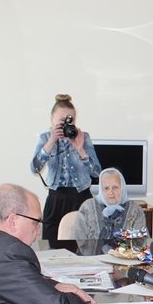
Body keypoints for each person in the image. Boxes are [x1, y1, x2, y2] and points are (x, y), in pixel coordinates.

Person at [30, 93, 102, 243]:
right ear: (52, 120)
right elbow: (34, 168)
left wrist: (81, 150)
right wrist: (51, 142)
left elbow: (97, 172)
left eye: (71, 120)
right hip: (56, 198)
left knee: (84, 244)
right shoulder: (45, 138)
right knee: (51, 244)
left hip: (81, 197)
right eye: (62, 120)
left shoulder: (83, 137)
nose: (66, 124)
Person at [72, 167, 147, 245]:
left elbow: (140, 241)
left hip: (125, 253)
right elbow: (76, 240)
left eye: (115, 187)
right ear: (101, 190)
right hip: (91, 253)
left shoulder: (135, 210)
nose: (111, 192)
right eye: (106, 188)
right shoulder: (88, 207)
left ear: (122, 188)